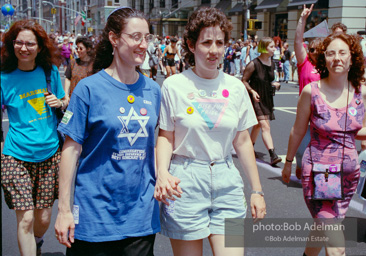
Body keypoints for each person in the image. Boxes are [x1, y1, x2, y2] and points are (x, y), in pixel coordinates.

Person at [154, 7, 266, 256]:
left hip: (227, 182)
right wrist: (162, 172)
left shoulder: (236, 87)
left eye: (219, 42)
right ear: (191, 45)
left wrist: (257, 191)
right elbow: (165, 136)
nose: (214, 50)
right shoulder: (174, 85)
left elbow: (243, 141)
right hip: (184, 183)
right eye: (206, 42)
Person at [54, 7, 161, 255]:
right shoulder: (88, 89)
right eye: (136, 37)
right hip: (94, 216)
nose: (143, 44)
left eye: (147, 37)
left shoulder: (153, 91)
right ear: (114, 38)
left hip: (140, 217)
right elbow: (71, 150)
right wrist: (64, 210)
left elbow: (154, 144)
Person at [282, 32, 365, 256]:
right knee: (336, 244)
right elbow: (298, 129)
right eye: (331, 53)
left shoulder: (361, 93)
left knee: (324, 227)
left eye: (342, 53)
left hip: (349, 176)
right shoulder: (312, 91)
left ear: (352, 58)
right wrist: (288, 162)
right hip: (321, 173)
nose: (337, 58)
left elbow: (362, 129)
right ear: (324, 59)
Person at [1, 19, 67, 256]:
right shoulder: (3, 77)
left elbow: (63, 101)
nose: (24, 48)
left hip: (49, 153)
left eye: (30, 44)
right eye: (19, 43)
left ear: (39, 47)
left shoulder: (49, 72)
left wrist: (59, 102)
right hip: (15, 154)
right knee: (26, 218)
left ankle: (36, 243)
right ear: (12, 45)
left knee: (43, 217)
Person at [242, 37, 282, 166]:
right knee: (265, 125)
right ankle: (273, 155)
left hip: (267, 98)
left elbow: (268, 80)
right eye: (271, 46)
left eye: (274, 46)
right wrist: (252, 92)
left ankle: (249, 147)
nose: (274, 49)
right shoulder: (254, 64)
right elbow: (244, 80)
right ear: (264, 48)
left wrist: (274, 84)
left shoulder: (272, 63)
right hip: (256, 97)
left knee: (258, 125)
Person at [294, 4, 322, 179]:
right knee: (300, 149)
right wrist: (302, 19)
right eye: (311, 49)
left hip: (323, 113)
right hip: (306, 112)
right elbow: (297, 41)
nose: (313, 52)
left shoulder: (329, 67)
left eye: (317, 50)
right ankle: (298, 165)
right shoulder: (305, 63)